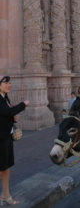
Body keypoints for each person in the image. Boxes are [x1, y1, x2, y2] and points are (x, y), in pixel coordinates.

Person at [0, 75, 30, 205]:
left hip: (6, 138)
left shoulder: (5, 98)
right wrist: (23, 104)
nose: (9, 85)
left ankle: (5, 195)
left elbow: (5, 114)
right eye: (6, 83)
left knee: (5, 168)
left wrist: (13, 118)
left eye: (9, 83)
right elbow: (6, 112)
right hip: (0, 139)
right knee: (2, 168)